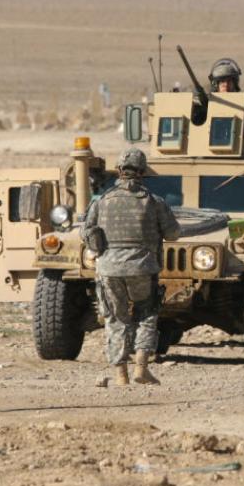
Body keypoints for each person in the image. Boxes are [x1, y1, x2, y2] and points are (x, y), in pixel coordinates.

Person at [82, 148, 180, 386]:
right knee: (146, 314)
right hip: (142, 268)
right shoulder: (154, 202)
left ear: (118, 171)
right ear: (143, 172)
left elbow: (86, 233)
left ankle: (120, 375)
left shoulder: (103, 201)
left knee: (116, 318)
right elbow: (173, 234)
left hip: (110, 269)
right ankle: (141, 368)